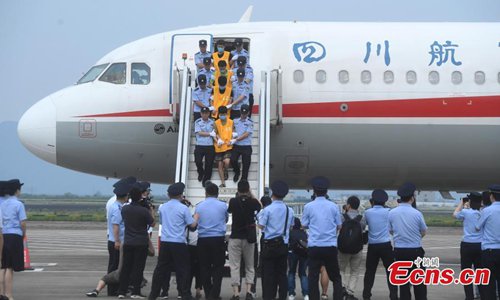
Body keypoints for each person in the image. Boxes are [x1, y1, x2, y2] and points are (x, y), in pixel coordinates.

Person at [149, 183, 198, 300]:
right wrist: (196, 217)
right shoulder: (183, 208)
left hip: (166, 242)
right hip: (179, 243)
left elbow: (161, 222)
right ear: (181, 195)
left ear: (168, 195)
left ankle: (153, 294)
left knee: (160, 269)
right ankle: (184, 293)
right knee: (183, 269)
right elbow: (192, 225)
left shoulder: (163, 207)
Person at [301, 176, 343, 300]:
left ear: (314, 190)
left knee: (312, 277)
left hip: (314, 246)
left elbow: (304, 225)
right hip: (330, 246)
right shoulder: (333, 206)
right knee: (335, 277)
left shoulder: (308, 206)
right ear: (326, 191)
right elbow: (339, 225)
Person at [388, 182, 427, 300]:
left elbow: (390, 231)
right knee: (419, 282)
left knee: (403, 284)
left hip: (399, 251)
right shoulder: (417, 213)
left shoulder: (392, 213)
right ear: (412, 198)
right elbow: (424, 231)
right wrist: (415, 237)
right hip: (415, 251)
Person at [118, 183, 155, 299]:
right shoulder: (143, 211)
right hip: (140, 242)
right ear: (140, 197)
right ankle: (136, 292)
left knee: (126, 267)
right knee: (138, 268)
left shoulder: (125, 209)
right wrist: (150, 210)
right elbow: (152, 223)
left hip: (128, 241)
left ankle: (122, 291)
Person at [258, 180, 294, 300]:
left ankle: (269, 296)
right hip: (283, 245)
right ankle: (283, 296)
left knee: (269, 275)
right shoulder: (290, 210)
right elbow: (291, 226)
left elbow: (261, 226)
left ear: (273, 193)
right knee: (282, 275)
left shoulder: (268, 209)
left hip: (269, 245)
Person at [227, 180, 261, 300]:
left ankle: (236, 293)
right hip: (249, 238)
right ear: (248, 189)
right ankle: (248, 292)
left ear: (238, 189)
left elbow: (229, 211)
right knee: (250, 266)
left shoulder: (233, 201)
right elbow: (260, 206)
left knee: (235, 266)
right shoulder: (252, 202)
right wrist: (251, 194)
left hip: (235, 237)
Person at [362, 189, 398, 300]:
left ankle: (366, 295)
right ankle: (393, 295)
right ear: (384, 201)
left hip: (372, 245)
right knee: (391, 271)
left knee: (370, 272)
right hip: (386, 244)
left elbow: (364, 226)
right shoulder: (389, 212)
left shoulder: (367, 212)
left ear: (372, 201)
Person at [195, 183, 228, 300]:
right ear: (217, 193)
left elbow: (195, 221)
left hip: (203, 239)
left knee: (204, 267)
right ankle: (214, 294)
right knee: (218, 267)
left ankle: (208, 293)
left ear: (206, 193)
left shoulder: (199, 206)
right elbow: (226, 218)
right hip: (218, 239)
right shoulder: (223, 206)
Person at [453, 192, 485, 300]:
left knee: (467, 272)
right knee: (479, 272)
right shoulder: (483, 213)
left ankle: (469, 296)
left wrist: (462, 203)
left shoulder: (466, 212)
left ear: (470, 201)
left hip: (467, 245)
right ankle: (482, 294)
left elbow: (455, 214)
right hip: (480, 245)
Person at [0, 179, 24, 300]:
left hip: (3, 234)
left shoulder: (3, 204)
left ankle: (2, 293)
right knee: (10, 267)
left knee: (3, 266)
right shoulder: (18, 204)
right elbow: (23, 222)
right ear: (16, 190)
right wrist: (23, 234)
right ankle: (9, 295)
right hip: (14, 235)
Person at [338, 196, 366, 300]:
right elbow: (363, 229)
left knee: (341, 269)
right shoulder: (361, 218)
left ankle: (342, 288)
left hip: (343, 248)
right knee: (354, 271)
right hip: (357, 249)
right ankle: (350, 293)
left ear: (348, 205)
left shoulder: (342, 217)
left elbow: (338, 227)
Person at [476, 184, 500, 299]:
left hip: (489, 252)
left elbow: (477, 227)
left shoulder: (487, 210)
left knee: (489, 284)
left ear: (492, 196)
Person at [230, 104, 253, 183]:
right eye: (243, 113)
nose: (244, 115)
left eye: (245, 113)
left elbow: (246, 134)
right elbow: (232, 128)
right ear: (240, 112)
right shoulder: (235, 120)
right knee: (233, 160)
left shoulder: (250, 122)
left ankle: (244, 179)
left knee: (246, 164)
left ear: (248, 113)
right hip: (237, 146)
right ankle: (237, 172)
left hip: (246, 146)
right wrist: (233, 133)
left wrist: (237, 139)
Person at [288, 217, 309, 300]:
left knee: (291, 273)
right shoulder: (304, 233)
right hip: (304, 254)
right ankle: (306, 294)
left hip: (293, 253)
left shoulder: (290, 233)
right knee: (303, 273)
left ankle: (291, 294)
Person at [194, 106, 216, 186]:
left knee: (209, 164)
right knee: (198, 161)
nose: (204, 115)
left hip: (209, 146)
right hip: (200, 145)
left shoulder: (213, 122)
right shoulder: (197, 122)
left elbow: (215, 132)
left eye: (206, 113)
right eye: (203, 113)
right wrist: (209, 134)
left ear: (209, 113)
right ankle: (200, 172)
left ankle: (206, 180)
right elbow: (199, 132)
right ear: (200, 114)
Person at [213, 106, 234, 187]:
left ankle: (226, 171)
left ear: (226, 114)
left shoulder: (231, 122)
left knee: (227, 162)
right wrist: (218, 140)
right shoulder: (216, 122)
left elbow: (234, 133)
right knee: (219, 165)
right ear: (218, 114)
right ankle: (223, 182)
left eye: (224, 114)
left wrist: (232, 140)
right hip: (219, 147)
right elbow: (214, 133)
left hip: (228, 146)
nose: (222, 115)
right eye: (220, 114)